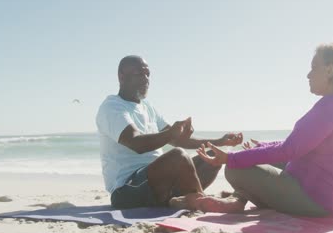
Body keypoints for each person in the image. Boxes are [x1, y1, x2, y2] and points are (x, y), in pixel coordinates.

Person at [196, 43, 333, 217]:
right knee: (248, 157)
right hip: (321, 193)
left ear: (330, 70)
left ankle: (238, 200)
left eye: (314, 68)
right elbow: (299, 144)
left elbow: (289, 150)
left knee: (235, 168)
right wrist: (261, 146)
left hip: (318, 202)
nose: (308, 74)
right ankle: (238, 200)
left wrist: (229, 158)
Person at [96, 55, 243, 210]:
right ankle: (201, 201)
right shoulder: (112, 107)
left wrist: (220, 141)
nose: (146, 79)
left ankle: (183, 199)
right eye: (139, 74)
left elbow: (178, 140)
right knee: (178, 156)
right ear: (121, 77)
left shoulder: (147, 107)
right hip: (127, 189)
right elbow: (135, 143)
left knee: (210, 157)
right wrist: (172, 133)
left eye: (148, 74)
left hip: (158, 183)